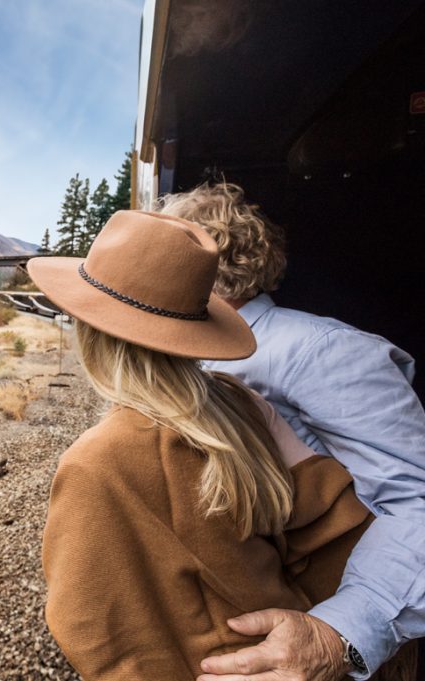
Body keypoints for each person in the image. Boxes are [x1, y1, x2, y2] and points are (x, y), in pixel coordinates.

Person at [27, 211, 412, 680]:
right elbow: (337, 522)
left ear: (88, 329)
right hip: (296, 647)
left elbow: (95, 634)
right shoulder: (239, 402)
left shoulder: (97, 461)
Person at [160, 183, 425, 681]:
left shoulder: (323, 350)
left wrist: (340, 632)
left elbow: (420, 501)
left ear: (209, 262)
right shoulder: (190, 357)